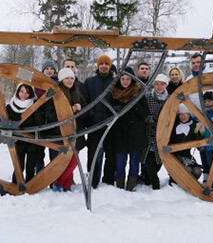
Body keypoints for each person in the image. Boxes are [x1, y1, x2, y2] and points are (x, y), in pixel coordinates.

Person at [110, 67, 149, 191]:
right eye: (123, 79)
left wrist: (135, 104)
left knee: (134, 161)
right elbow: (109, 111)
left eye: (128, 79)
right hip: (120, 133)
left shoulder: (139, 92)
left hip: (135, 133)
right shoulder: (114, 93)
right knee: (120, 161)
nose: (125, 81)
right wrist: (116, 109)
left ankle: (132, 182)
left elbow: (145, 112)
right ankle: (120, 183)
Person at [81, 54, 115, 188]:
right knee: (93, 154)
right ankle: (93, 181)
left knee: (110, 155)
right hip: (94, 125)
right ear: (98, 66)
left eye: (107, 64)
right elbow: (84, 102)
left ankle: (108, 181)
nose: (104, 66)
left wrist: (113, 114)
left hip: (110, 125)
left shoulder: (114, 81)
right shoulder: (90, 82)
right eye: (102, 64)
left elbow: (119, 100)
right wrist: (91, 116)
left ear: (110, 66)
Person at [54, 68, 88, 192]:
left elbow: (86, 112)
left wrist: (81, 108)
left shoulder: (77, 92)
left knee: (73, 161)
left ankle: (65, 184)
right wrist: (70, 110)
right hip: (62, 132)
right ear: (62, 79)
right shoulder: (57, 94)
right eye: (67, 78)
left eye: (72, 78)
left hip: (76, 131)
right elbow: (52, 113)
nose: (70, 80)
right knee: (65, 161)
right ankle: (61, 183)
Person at [6, 83, 43, 183]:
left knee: (30, 168)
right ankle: (15, 186)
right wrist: (14, 121)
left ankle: (29, 188)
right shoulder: (10, 106)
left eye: (27, 93)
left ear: (31, 94)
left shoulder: (35, 105)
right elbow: (6, 122)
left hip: (32, 141)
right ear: (17, 91)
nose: (24, 94)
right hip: (18, 142)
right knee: (19, 167)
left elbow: (39, 122)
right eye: (22, 91)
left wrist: (31, 114)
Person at [143, 73, 170, 190]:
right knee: (149, 161)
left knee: (159, 162)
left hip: (164, 135)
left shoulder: (170, 99)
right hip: (149, 134)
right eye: (157, 84)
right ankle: (155, 185)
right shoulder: (148, 97)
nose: (159, 87)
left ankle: (148, 178)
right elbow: (143, 114)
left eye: (162, 84)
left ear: (166, 85)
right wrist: (150, 119)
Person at [35, 59, 59, 174]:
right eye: (47, 69)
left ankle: (53, 177)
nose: (49, 71)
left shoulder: (58, 84)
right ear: (43, 70)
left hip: (53, 122)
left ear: (55, 71)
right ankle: (39, 176)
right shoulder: (36, 84)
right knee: (38, 152)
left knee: (54, 152)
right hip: (39, 121)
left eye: (51, 69)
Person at [169, 104, 202, 184]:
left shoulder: (194, 125)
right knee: (187, 170)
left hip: (187, 155)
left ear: (189, 114)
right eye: (181, 114)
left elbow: (197, 138)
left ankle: (190, 185)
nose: (183, 116)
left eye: (185, 114)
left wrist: (199, 134)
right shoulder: (173, 125)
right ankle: (178, 183)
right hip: (175, 155)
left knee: (197, 171)